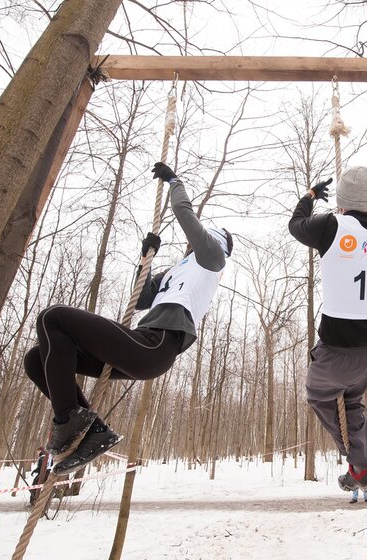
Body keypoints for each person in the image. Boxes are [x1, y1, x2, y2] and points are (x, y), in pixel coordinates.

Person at [23, 162, 232, 475]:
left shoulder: (213, 260)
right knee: (36, 359)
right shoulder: (177, 272)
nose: (192, 242)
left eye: (202, 237)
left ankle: (68, 420)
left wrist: (175, 182)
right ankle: (90, 430)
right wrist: (146, 259)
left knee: (53, 318)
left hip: (156, 346)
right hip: (139, 344)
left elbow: (185, 214)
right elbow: (142, 298)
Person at [288, 166, 367, 494]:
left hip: (340, 350)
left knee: (319, 393)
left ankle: (360, 465)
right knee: (351, 401)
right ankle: (360, 468)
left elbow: (296, 226)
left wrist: (309, 198)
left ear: (342, 200)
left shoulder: (332, 225)